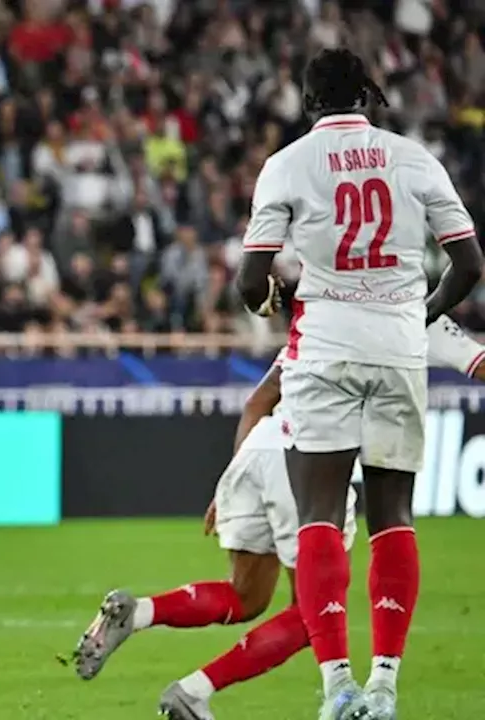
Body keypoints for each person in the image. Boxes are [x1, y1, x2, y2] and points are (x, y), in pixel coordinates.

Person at [74, 313, 485, 720]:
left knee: (247, 595)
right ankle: (195, 691)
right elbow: (475, 357)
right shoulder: (408, 306)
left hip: (258, 447)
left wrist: (234, 475)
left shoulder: (320, 309)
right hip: (307, 458)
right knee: (313, 615)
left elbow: (258, 400)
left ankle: (140, 612)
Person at [236, 49, 483, 720]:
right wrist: (418, 313)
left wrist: (272, 305)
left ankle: (336, 686)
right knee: (393, 515)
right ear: (368, 95)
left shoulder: (285, 166)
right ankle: (385, 687)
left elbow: (249, 281)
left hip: (325, 350)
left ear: (309, 100)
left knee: (318, 512)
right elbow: (469, 264)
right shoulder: (414, 159)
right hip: (398, 347)